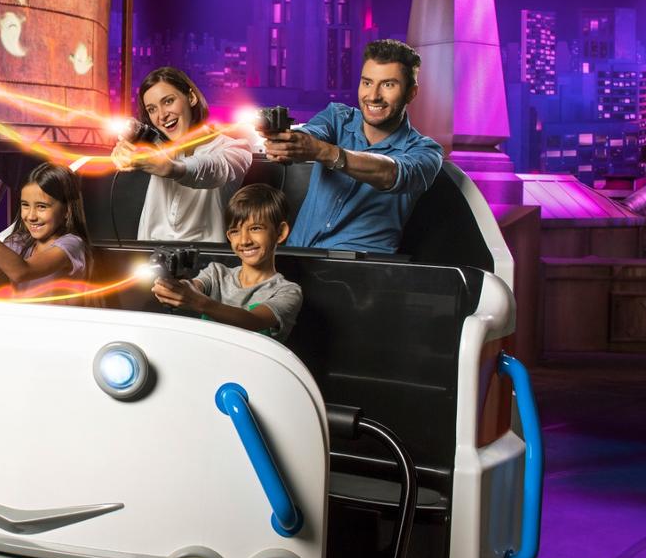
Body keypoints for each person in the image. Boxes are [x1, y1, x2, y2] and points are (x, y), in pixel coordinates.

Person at [260, 39, 443, 254]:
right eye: (367, 83)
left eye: (388, 85)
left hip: (358, 267)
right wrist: (286, 141)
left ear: (411, 92)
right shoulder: (337, 117)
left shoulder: (426, 152)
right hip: (297, 254)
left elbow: (392, 174)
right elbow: (310, 134)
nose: (373, 96)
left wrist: (325, 152)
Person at [111, 67, 253, 242]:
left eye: (168, 101)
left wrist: (171, 168)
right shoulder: (158, 147)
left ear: (191, 98)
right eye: (152, 109)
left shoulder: (236, 149)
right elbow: (132, 146)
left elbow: (215, 168)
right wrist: (122, 151)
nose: (162, 115)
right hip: (149, 254)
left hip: (207, 257)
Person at [151, 183, 302, 341]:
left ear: (280, 232)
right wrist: (174, 287)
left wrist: (198, 301)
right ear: (229, 237)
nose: (244, 241)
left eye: (255, 228)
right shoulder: (216, 273)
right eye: (235, 231)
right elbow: (193, 287)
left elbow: (253, 321)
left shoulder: (288, 292)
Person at [0, 162, 91, 297]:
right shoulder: (19, 243)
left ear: (67, 211)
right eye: (25, 205)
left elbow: (21, 272)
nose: (31, 216)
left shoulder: (72, 245)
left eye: (42, 206)